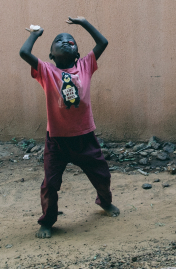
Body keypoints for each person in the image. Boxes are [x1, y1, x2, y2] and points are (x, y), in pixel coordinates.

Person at [19, 16, 119, 239]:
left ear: (77, 53)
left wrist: (84, 23)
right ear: (51, 55)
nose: (65, 42)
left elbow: (103, 43)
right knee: (50, 184)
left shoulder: (85, 65)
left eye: (70, 41)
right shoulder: (46, 72)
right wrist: (35, 34)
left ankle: (105, 202)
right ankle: (47, 222)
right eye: (59, 41)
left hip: (85, 138)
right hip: (57, 141)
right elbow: (24, 54)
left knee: (102, 175)